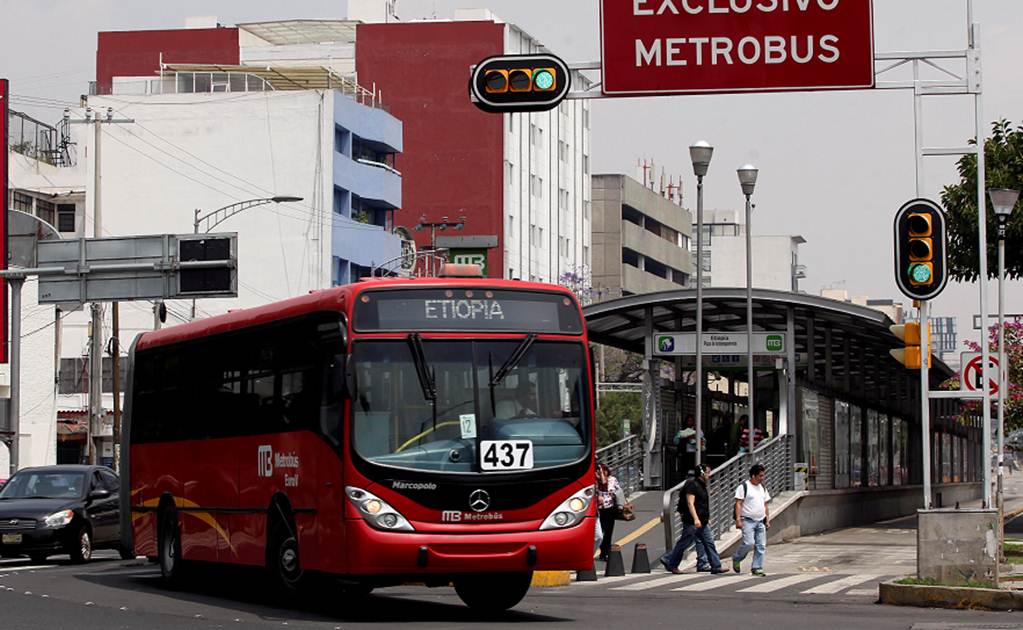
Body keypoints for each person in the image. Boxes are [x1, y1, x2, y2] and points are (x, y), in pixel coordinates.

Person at [659, 463, 728, 574]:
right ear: (701, 473)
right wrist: (696, 519)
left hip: (702, 521)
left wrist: (706, 518)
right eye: (707, 472)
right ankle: (670, 562)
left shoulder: (702, 485)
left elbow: (702, 504)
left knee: (709, 542)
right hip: (692, 521)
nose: (709, 475)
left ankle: (716, 566)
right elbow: (690, 503)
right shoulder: (692, 484)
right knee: (684, 542)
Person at [732, 463, 771, 576]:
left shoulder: (762, 487)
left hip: (760, 521)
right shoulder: (744, 486)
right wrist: (738, 519)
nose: (762, 478)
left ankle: (757, 567)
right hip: (747, 520)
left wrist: (767, 520)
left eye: (763, 475)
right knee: (749, 543)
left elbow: (766, 505)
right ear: (753, 476)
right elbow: (738, 504)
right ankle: (737, 558)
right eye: (760, 476)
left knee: (761, 545)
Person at [595, 463, 621, 561]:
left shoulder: (612, 480)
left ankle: (605, 552)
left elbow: (618, 491)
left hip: (610, 508)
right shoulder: (595, 480)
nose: (601, 472)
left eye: (602, 470)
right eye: (598, 470)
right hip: (599, 509)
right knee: (600, 532)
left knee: (608, 531)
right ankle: (603, 550)